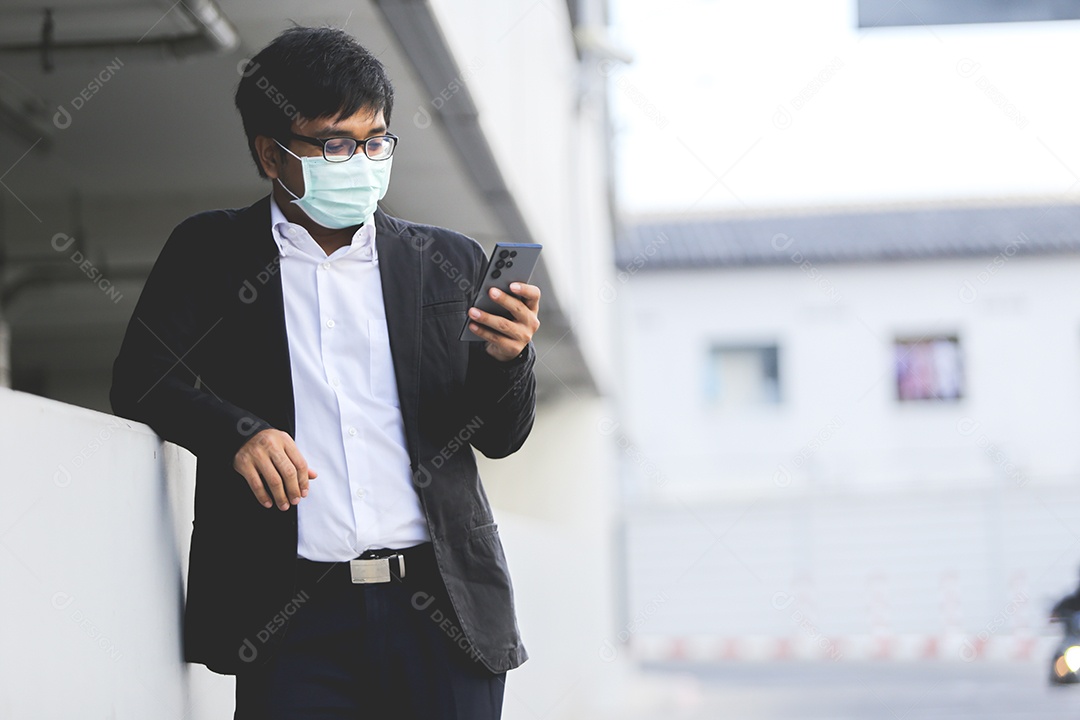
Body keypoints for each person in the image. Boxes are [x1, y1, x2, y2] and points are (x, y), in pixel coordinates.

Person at [109, 25, 540, 719]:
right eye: (335, 144)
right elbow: (141, 378)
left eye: (375, 142)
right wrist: (236, 433)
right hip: (293, 619)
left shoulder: (449, 261)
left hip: (444, 610)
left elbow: (500, 436)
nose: (361, 160)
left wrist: (508, 360)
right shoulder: (210, 252)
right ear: (270, 154)